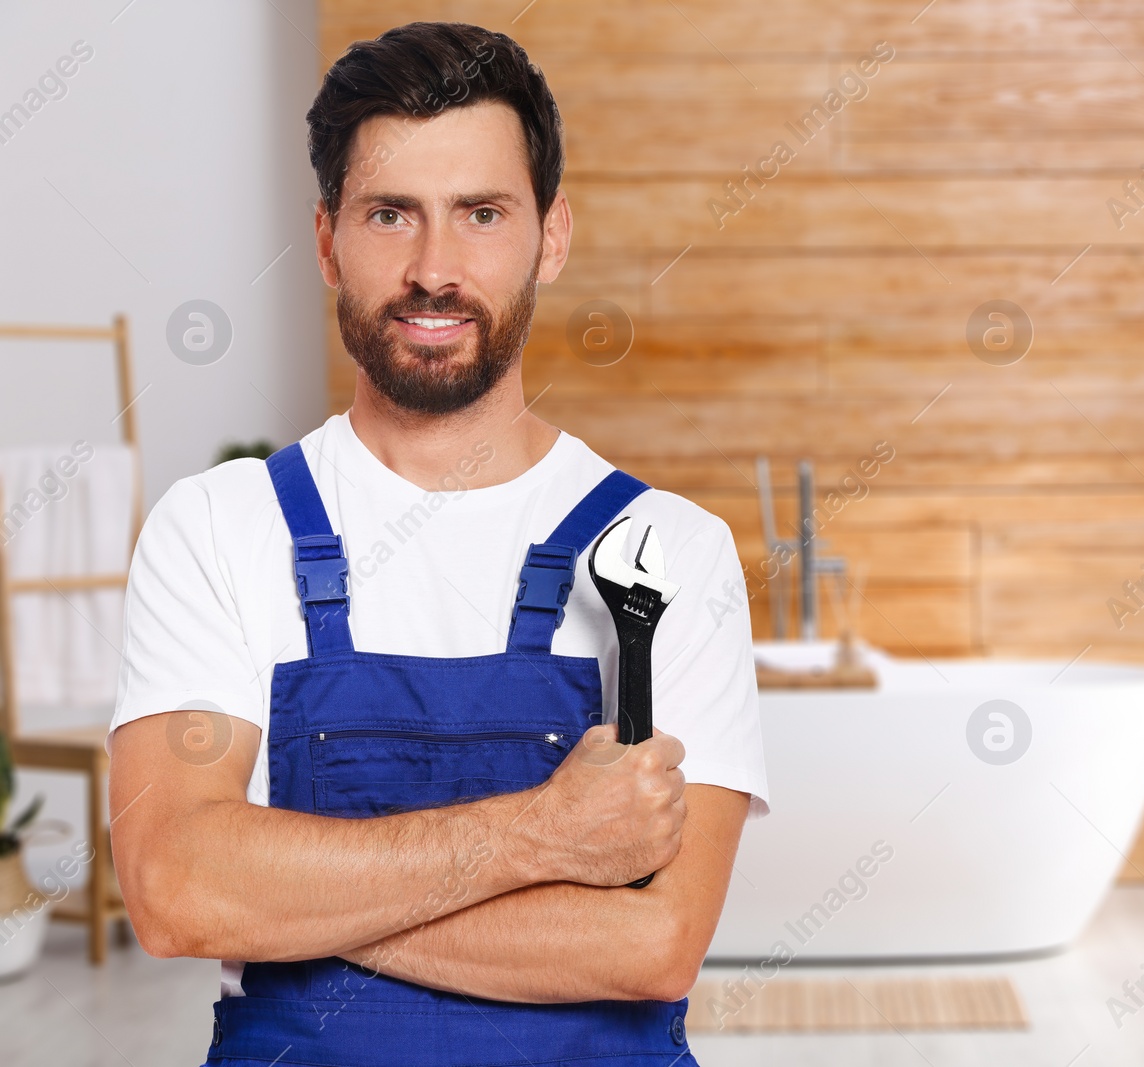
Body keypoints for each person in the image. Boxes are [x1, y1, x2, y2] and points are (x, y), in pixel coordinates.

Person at [106, 21, 767, 1067]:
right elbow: (178, 892)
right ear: (326, 240)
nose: (432, 269)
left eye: (482, 214)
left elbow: (654, 944)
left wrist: (292, 899)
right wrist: (540, 838)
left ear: (550, 234)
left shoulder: (669, 550)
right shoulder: (219, 528)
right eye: (388, 214)